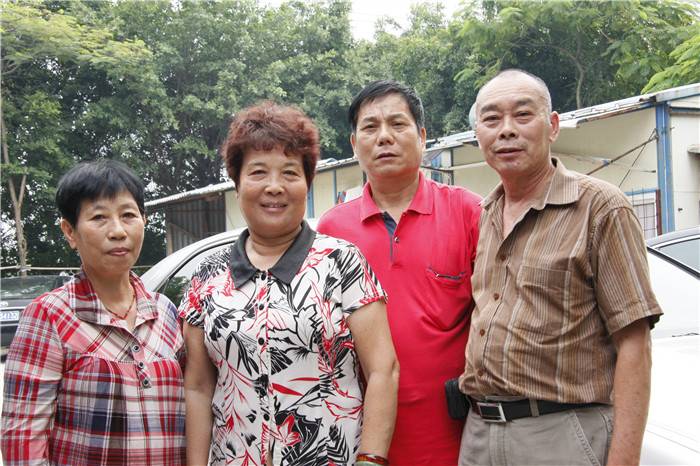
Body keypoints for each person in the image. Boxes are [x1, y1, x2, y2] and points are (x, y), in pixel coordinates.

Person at [458, 69, 663, 466]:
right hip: (480, 432)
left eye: (522, 114)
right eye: (491, 119)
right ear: (477, 134)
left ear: (552, 126)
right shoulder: (486, 214)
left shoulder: (601, 207)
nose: (506, 130)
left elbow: (635, 343)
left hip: (561, 433)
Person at [181, 101, 399, 466]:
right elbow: (199, 388)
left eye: (289, 173)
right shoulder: (207, 275)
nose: (274, 187)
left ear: (307, 184)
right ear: (237, 184)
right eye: (258, 172)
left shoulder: (341, 262)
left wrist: (370, 460)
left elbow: (383, 370)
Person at [317, 81, 482, 465]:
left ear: (422, 136)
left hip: (456, 440)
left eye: (397, 124)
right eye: (370, 127)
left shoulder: (468, 212)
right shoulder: (331, 231)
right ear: (354, 144)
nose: (384, 137)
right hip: (358, 442)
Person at [1, 160, 185, 465]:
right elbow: (23, 439)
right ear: (70, 231)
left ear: (144, 220)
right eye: (99, 217)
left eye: (128, 215)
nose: (118, 231)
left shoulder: (165, 312)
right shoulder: (50, 315)